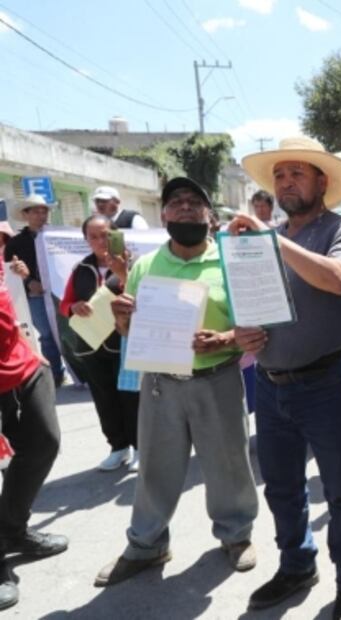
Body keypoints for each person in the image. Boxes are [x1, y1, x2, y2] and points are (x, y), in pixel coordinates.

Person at [95, 177, 259, 586]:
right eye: (176, 202)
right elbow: (133, 332)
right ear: (164, 214)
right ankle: (146, 545)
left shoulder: (231, 261)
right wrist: (121, 318)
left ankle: (236, 536)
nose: (185, 207)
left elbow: (257, 326)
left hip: (217, 377)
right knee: (154, 467)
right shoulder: (147, 267)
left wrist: (223, 339)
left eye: (194, 201)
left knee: (228, 465)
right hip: (160, 384)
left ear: (209, 214)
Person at [232, 136, 341, 618]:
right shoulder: (266, 235)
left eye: (297, 174)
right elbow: (250, 304)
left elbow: (337, 278)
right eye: (281, 176)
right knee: (282, 487)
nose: (287, 183)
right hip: (270, 385)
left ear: (321, 182)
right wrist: (244, 332)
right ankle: (297, 565)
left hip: (324, 385)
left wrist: (272, 240)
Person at [0, 268, 68, 611]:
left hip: (21, 367)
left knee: (44, 443)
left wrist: (28, 343)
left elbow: (7, 306)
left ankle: (12, 529)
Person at [59, 214, 138, 472]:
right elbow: (64, 304)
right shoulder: (81, 268)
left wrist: (123, 273)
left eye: (105, 234)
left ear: (115, 233)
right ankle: (117, 447)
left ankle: (139, 447)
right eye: (93, 236)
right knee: (104, 398)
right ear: (86, 240)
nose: (100, 241)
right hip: (91, 344)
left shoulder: (134, 264)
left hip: (125, 342)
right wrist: (74, 306)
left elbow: (145, 296)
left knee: (131, 397)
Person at [3, 195, 65, 386]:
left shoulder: (58, 237)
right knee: (46, 335)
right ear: (25, 214)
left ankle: (79, 372)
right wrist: (29, 281)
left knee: (67, 334)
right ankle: (55, 374)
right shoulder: (15, 243)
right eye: (36, 211)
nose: (41, 215)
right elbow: (10, 272)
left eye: (44, 211)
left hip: (61, 293)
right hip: (35, 296)